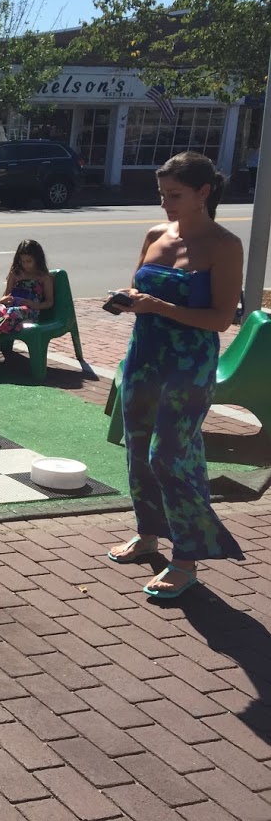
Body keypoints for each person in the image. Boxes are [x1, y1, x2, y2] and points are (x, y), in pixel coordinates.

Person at [106, 151, 245, 598]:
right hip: (144, 356)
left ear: (204, 192)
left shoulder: (224, 245)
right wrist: (127, 298)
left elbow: (220, 319)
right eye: (161, 194)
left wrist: (157, 306)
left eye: (175, 195)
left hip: (189, 365)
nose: (165, 203)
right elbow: (139, 288)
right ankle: (147, 533)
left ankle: (187, 558)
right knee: (137, 449)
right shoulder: (155, 235)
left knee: (168, 456)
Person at [0, 239, 54, 349]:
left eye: (29, 261)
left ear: (37, 260)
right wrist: (3, 300)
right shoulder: (15, 274)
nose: (26, 265)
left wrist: (35, 305)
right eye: (23, 261)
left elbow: (49, 302)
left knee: (12, 312)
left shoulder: (44, 278)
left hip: (29, 312)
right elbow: (5, 296)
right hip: (10, 307)